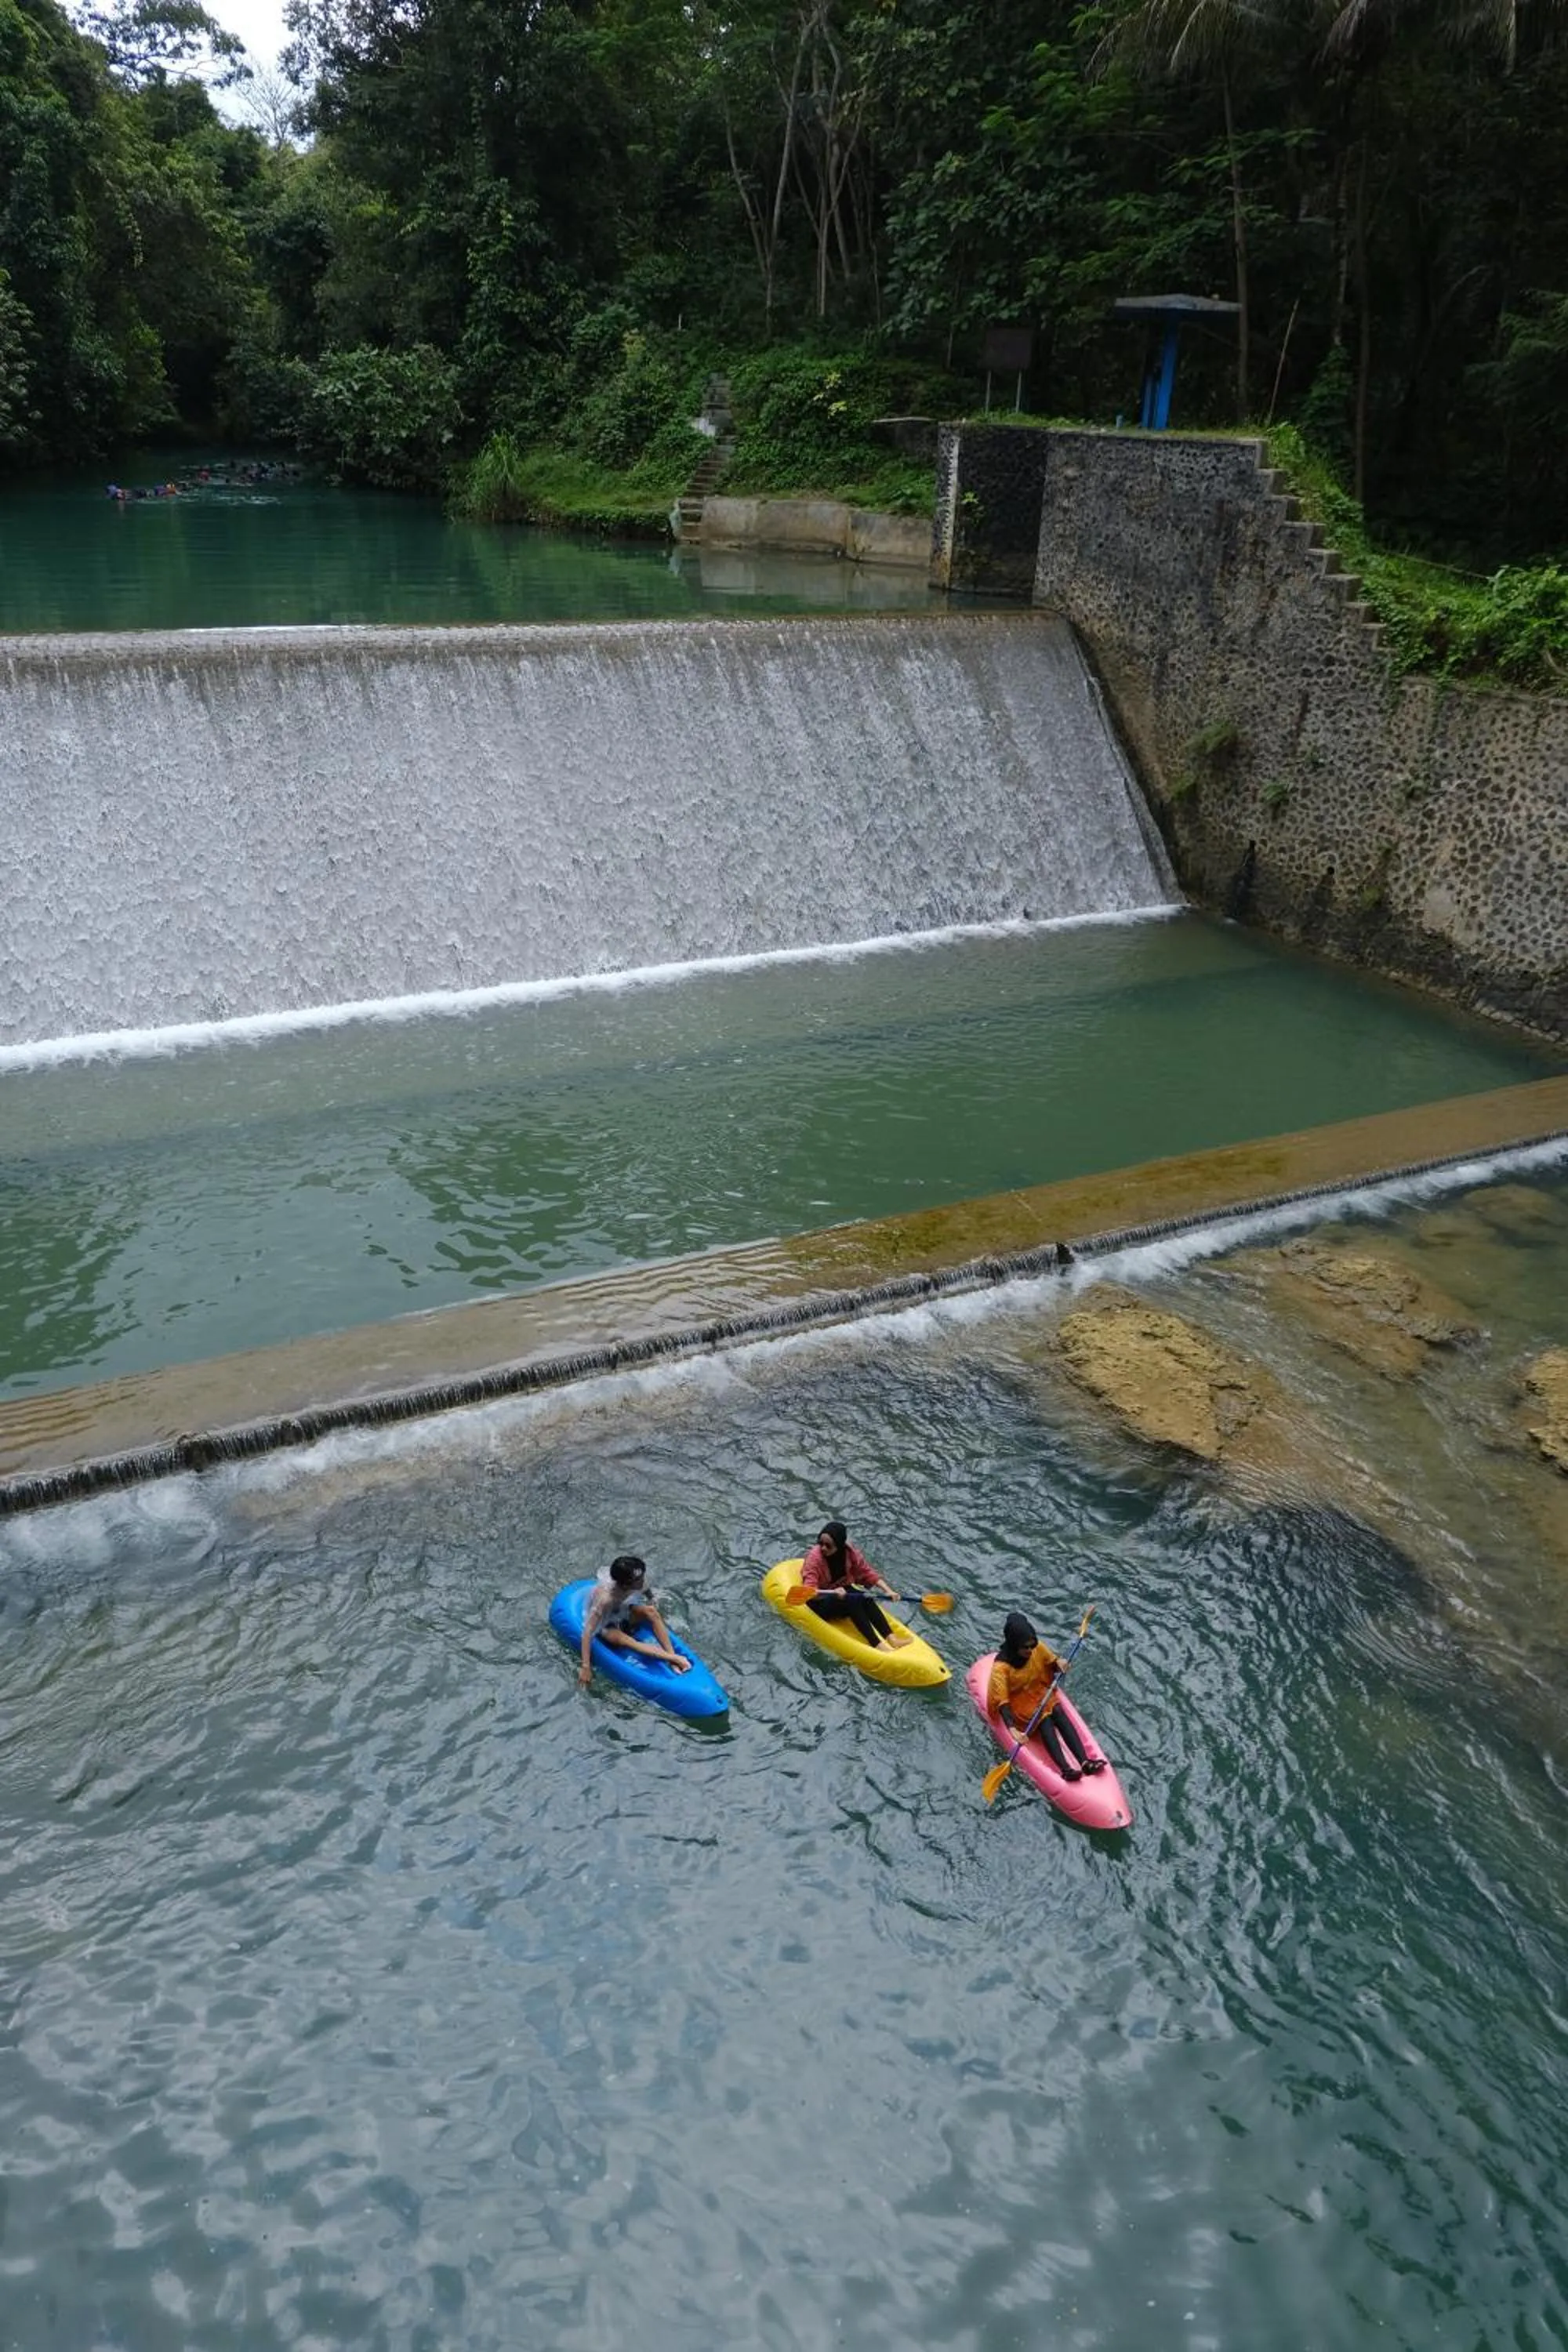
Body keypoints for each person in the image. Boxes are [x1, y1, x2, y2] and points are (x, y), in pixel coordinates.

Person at [988, 1611, 1104, 1780]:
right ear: (1014, 1645)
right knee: (1044, 1718)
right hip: (1018, 1704)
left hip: (1038, 1691)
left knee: (1057, 1710)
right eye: (1025, 1647)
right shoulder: (1001, 1668)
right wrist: (1012, 1729)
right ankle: (1065, 1769)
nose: (1030, 1650)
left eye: (1031, 1645)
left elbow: (1052, 1662)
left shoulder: (1037, 1647)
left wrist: (1060, 1664)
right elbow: (1002, 1701)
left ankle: (1085, 1762)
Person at [579, 1555, 690, 1686]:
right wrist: (586, 1666)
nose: (643, 1580)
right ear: (626, 1584)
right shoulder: (605, 1600)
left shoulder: (636, 1580)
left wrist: (652, 1599)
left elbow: (646, 1589)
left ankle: (672, 1658)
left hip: (621, 1612)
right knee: (622, 1639)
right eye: (639, 1579)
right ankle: (673, 1658)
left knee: (651, 1612)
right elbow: (587, 1632)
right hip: (605, 1624)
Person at [798, 1521, 910, 1650]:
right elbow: (810, 1592)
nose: (823, 1548)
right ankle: (877, 1645)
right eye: (821, 1543)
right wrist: (834, 1593)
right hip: (819, 1602)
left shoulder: (849, 1552)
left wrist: (888, 1591)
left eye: (828, 1545)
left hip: (840, 1592)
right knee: (852, 1600)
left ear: (839, 1545)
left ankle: (892, 1639)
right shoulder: (815, 1558)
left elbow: (867, 1572)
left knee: (866, 1597)